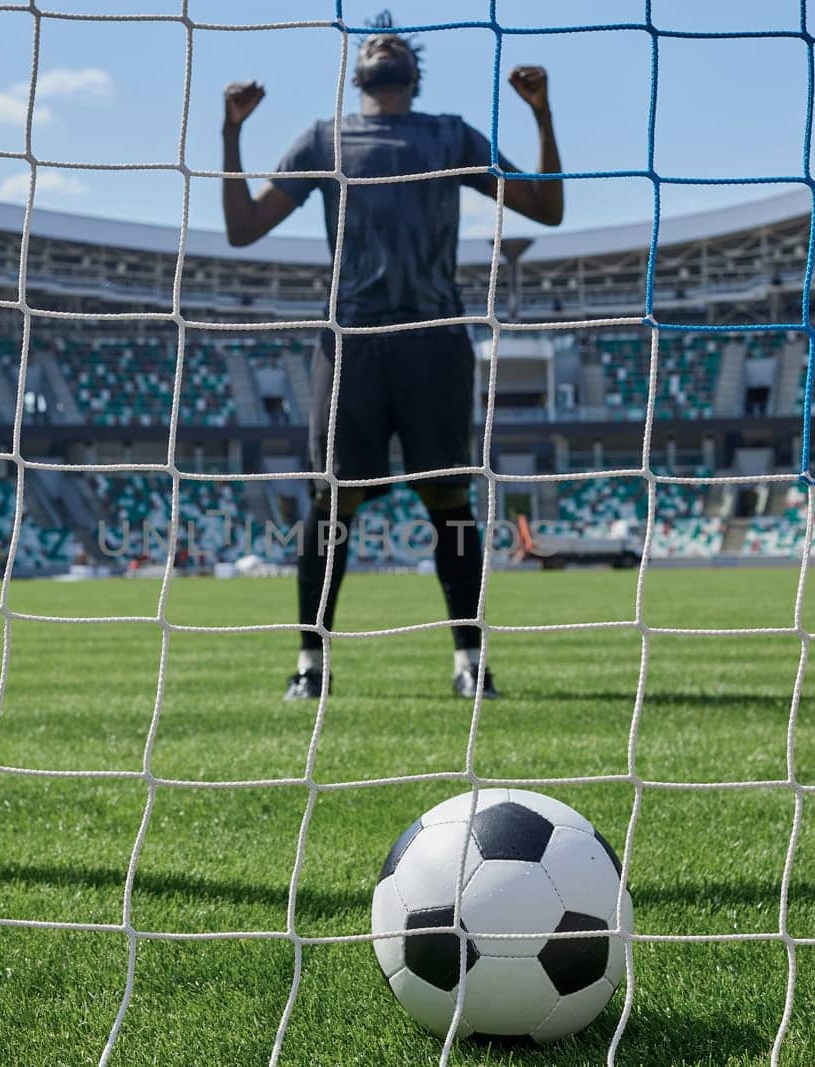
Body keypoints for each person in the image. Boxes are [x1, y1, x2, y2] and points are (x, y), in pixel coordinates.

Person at [220, 13, 563, 701]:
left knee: (450, 500)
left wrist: (543, 116)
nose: (383, 45)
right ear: (358, 73)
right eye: (373, 44)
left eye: (396, 44)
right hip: (351, 343)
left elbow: (546, 209)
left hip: (435, 339)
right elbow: (243, 229)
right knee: (333, 501)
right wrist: (231, 134)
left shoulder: (450, 134)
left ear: (412, 71)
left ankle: (470, 659)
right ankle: (311, 665)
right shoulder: (326, 137)